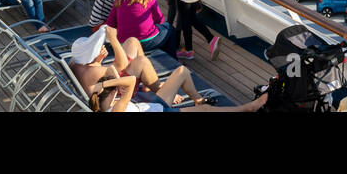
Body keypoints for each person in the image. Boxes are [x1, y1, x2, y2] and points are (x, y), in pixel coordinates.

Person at [70, 26, 262, 113]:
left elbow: (121, 79)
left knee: (179, 71)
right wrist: (112, 40)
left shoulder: (78, 67)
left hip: (145, 105)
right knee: (204, 107)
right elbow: (121, 69)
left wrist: (100, 64)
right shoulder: (113, 101)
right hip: (153, 107)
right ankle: (245, 107)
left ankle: (197, 99)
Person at [106, 0, 176, 55]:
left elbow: (110, 24)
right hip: (147, 41)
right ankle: (172, 60)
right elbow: (160, 20)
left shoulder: (119, 1)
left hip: (125, 44)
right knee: (170, 29)